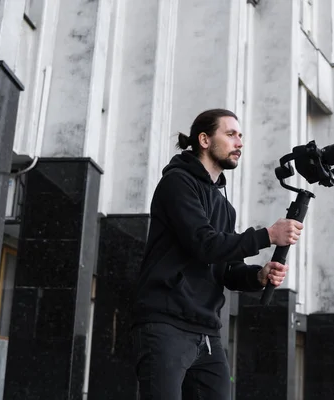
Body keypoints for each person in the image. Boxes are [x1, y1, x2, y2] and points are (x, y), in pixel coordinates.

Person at [129, 109, 304, 399]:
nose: (239, 143)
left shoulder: (224, 206)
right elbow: (203, 243)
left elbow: (227, 268)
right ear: (204, 140)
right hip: (165, 325)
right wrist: (267, 235)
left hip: (207, 331)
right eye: (231, 134)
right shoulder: (177, 183)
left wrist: (258, 275)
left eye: (241, 136)